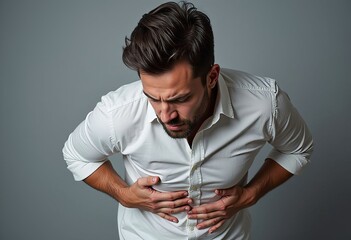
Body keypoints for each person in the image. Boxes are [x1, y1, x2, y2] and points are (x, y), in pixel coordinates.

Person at [62, 1, 313, 239]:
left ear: (212, 77)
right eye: (152, 98)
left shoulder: (265, 104)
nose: (165, 114)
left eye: (180, 99)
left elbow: (298, 149)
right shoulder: (117, 113)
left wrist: (252, 194)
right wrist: (124, 195)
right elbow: (76, 155)